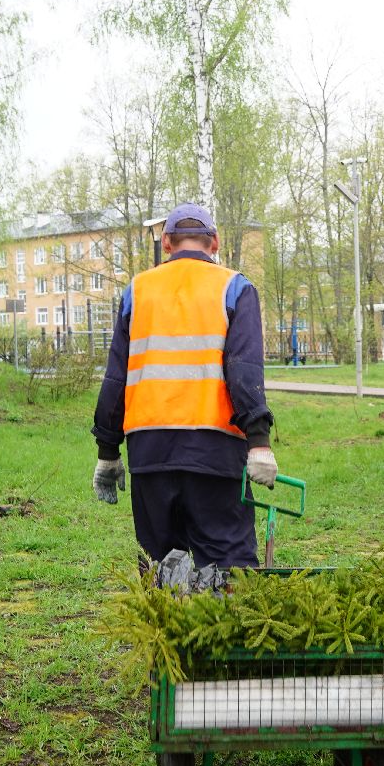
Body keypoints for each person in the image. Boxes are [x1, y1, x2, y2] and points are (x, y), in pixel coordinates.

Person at [91, 204, 276, 569]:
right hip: (215, 453)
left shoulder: (137, 292)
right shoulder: (235, 288)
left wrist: (107, 451)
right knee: (228, 567)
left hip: (149, 454)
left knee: (163, 567)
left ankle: (163, 625)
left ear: (167, 245)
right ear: (216, 243)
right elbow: (244, 372)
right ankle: (228, 625)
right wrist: (259, 443)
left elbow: (116, 376)